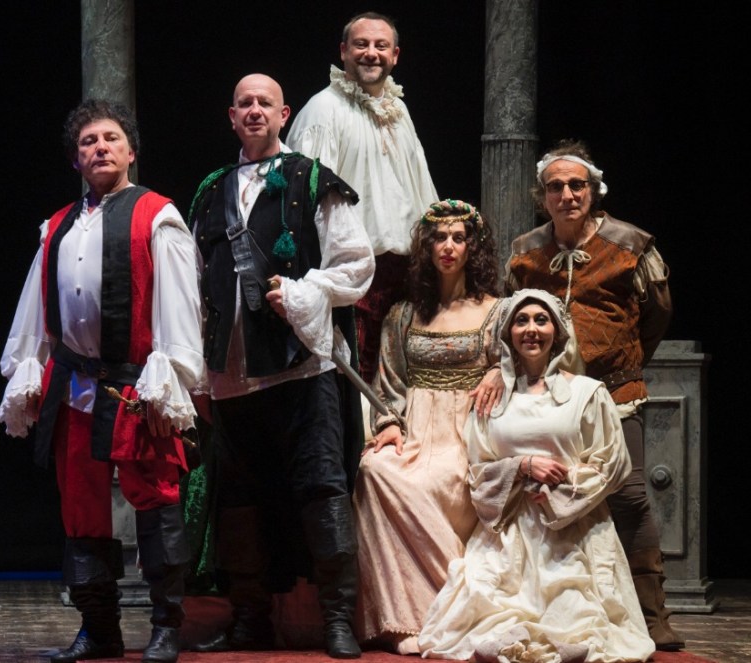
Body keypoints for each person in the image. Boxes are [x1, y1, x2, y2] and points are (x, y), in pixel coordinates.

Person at [0, 99, 205, 663]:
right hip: (73, 387)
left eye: (111, 138)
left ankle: (166, 627)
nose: (100, 148)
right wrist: (29, 369)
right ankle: (98, 629)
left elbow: (178, 305)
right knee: (80, 510)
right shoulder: (56, 226)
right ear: (76, 159)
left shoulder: (157, 216)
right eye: (88, 142)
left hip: (136, 387)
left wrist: (171, 378)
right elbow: (36, 307)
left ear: (131, 151)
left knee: (156, 501)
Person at [186, 73, 375, 659]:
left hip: (301, 368)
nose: (254, 111)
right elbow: (194, 284)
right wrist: (194, 372)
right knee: (240, 499)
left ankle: (337, 619)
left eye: (264, 103)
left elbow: (356, 265)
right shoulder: (210, 191)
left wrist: (302, 292)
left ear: (284, 113)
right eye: (244, 103)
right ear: (231, 116)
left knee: (321, 487)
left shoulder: (312, 179)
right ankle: (249, 619)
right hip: (232, 374)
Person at [502, 139, 682, 651]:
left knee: (627, 495)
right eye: (555, 187)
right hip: (550, 398)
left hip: (614, 389)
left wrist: (621, 355)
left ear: (593, 190)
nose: (567, 195)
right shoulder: (525, 251)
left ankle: (652, 613)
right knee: (557, 498)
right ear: (543, 196)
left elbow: (657, 314)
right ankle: (572, 608)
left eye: (576, 185)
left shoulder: (630, 244)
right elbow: (511, 314)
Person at [418, 289, 656, 663]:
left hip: (573, 527)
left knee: (576, 610)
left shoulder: (587, 393)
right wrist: (522, 466)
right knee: (487, 615)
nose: (531, 329)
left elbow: (612, 463)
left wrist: (562, 490)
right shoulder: (492, 398)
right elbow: (478, 468)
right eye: (521, 320)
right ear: (509, 333)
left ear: (557, 332)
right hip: (510, 528)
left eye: (541, 320)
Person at [353, 199, 506, 654]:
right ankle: (406, 618)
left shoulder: (497, 311)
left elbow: (524, 362)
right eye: (439, 237)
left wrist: (499, 371)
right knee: (373, 470)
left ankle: (464, 604)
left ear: (472, 247)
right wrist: (389, 424)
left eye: (458, 238)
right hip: (417, 430)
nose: (448, 246)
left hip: (469, 436)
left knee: (437, 483)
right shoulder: (404, 314)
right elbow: (389, 382)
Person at [286, 11, 439, 386]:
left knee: (400, 384)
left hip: (403, 273)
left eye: (380, 46)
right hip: (353, 274)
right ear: (343, 51)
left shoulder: (398, 110)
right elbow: (307, 201)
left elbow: (419, 180)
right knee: (353, 384)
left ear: (395, 55)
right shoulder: (323, 110)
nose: (371, 53)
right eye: (361, 44)